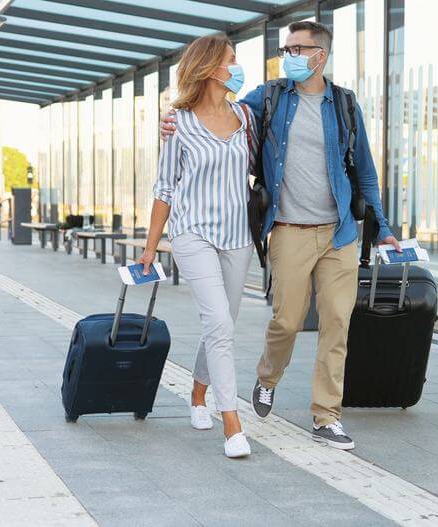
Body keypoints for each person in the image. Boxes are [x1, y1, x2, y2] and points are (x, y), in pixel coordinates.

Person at [162, 21, 400, 450]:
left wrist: (382, 228)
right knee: (287, 321)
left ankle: (326, 416)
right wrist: (172, 124)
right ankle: (267, 376)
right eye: (285, 48)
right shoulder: (267, 99)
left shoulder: (345, 105)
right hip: (289, 230)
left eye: (295, 49)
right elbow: (216, 113)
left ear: (319, 56)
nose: (287, 56)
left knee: (336, 324)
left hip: (339, 233)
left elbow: (365, 169)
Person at [139, 34, 254, 459]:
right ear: (209, 68)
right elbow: (165, 187)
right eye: (230, 60)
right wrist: (151, 248)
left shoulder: (245, 116)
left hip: (237, 236)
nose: (236, 67)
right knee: (220, 323)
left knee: (223, 323)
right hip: (193, 234)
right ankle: (233, 426)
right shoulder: (179, 123)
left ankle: (198, 394)